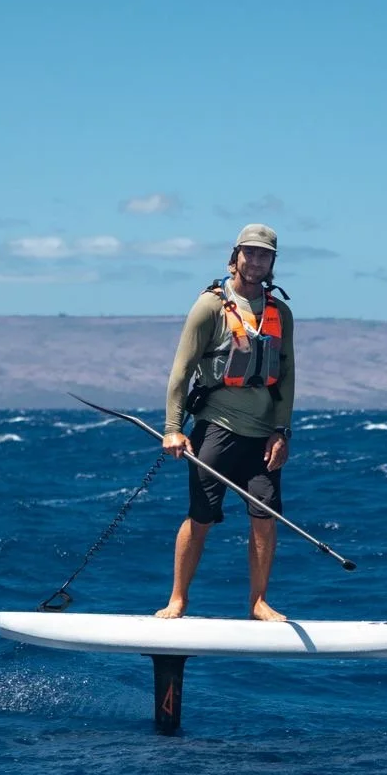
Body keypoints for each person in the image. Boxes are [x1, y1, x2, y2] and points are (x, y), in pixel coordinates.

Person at [158, 223, 296, 621]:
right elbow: (181, 372)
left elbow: (287, 377)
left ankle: (258, 603)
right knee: (201, 517)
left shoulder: (280, 313)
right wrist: (172, 428)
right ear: (234, 255)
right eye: (249, 252)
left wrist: (281, 431)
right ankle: (178, 599)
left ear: (272, 262)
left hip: (263, 435)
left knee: (265, 518)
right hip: (216, 428)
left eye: (264, 255)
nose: (255, 260)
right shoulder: (210, 307)